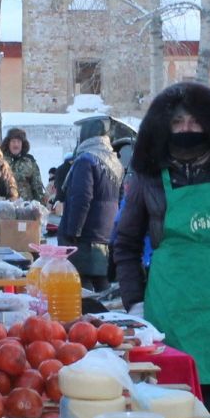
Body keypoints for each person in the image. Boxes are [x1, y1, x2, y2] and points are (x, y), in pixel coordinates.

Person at [114, 82, 210, 418]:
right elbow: (125, 242)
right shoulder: (148, 177)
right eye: (177, 123)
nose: (186, 130)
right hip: (168, 312)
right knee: (169, 413)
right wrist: (135, 301)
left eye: (194, 123)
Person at [54, 114, 123, 291]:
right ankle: (107, 316)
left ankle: (88, 318)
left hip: (85, 233)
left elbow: (81, 198)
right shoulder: (114, 162)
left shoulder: (86, 159)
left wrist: (73, 230)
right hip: (105, 232)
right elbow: (119, 198)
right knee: (101, 282)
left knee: (80, 286)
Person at [0, 126, 44, 203]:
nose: (16, 145)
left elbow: (37, 187)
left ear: (23, 144)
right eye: (13, 141)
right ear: (8, 143)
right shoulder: (0, 161)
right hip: (4, 206)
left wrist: (40, 205)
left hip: (25, 207)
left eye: (18, 142)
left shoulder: (30, 162)